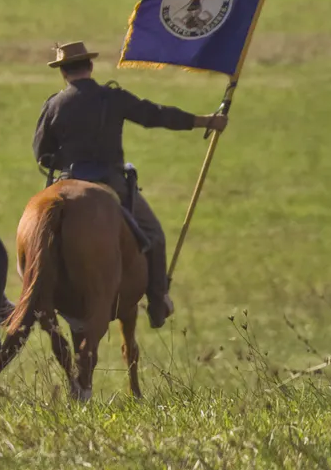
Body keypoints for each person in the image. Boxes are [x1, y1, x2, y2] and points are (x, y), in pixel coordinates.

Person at [33, 40, 224, 328]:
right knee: (154, 235)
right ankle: (157, 302)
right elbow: (155, 115)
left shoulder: (53, 105)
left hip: (69, 180)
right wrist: (204, 121)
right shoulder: (112, 98)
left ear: (63, 73)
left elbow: (41, 154)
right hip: (111, 183)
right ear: (90, 66)